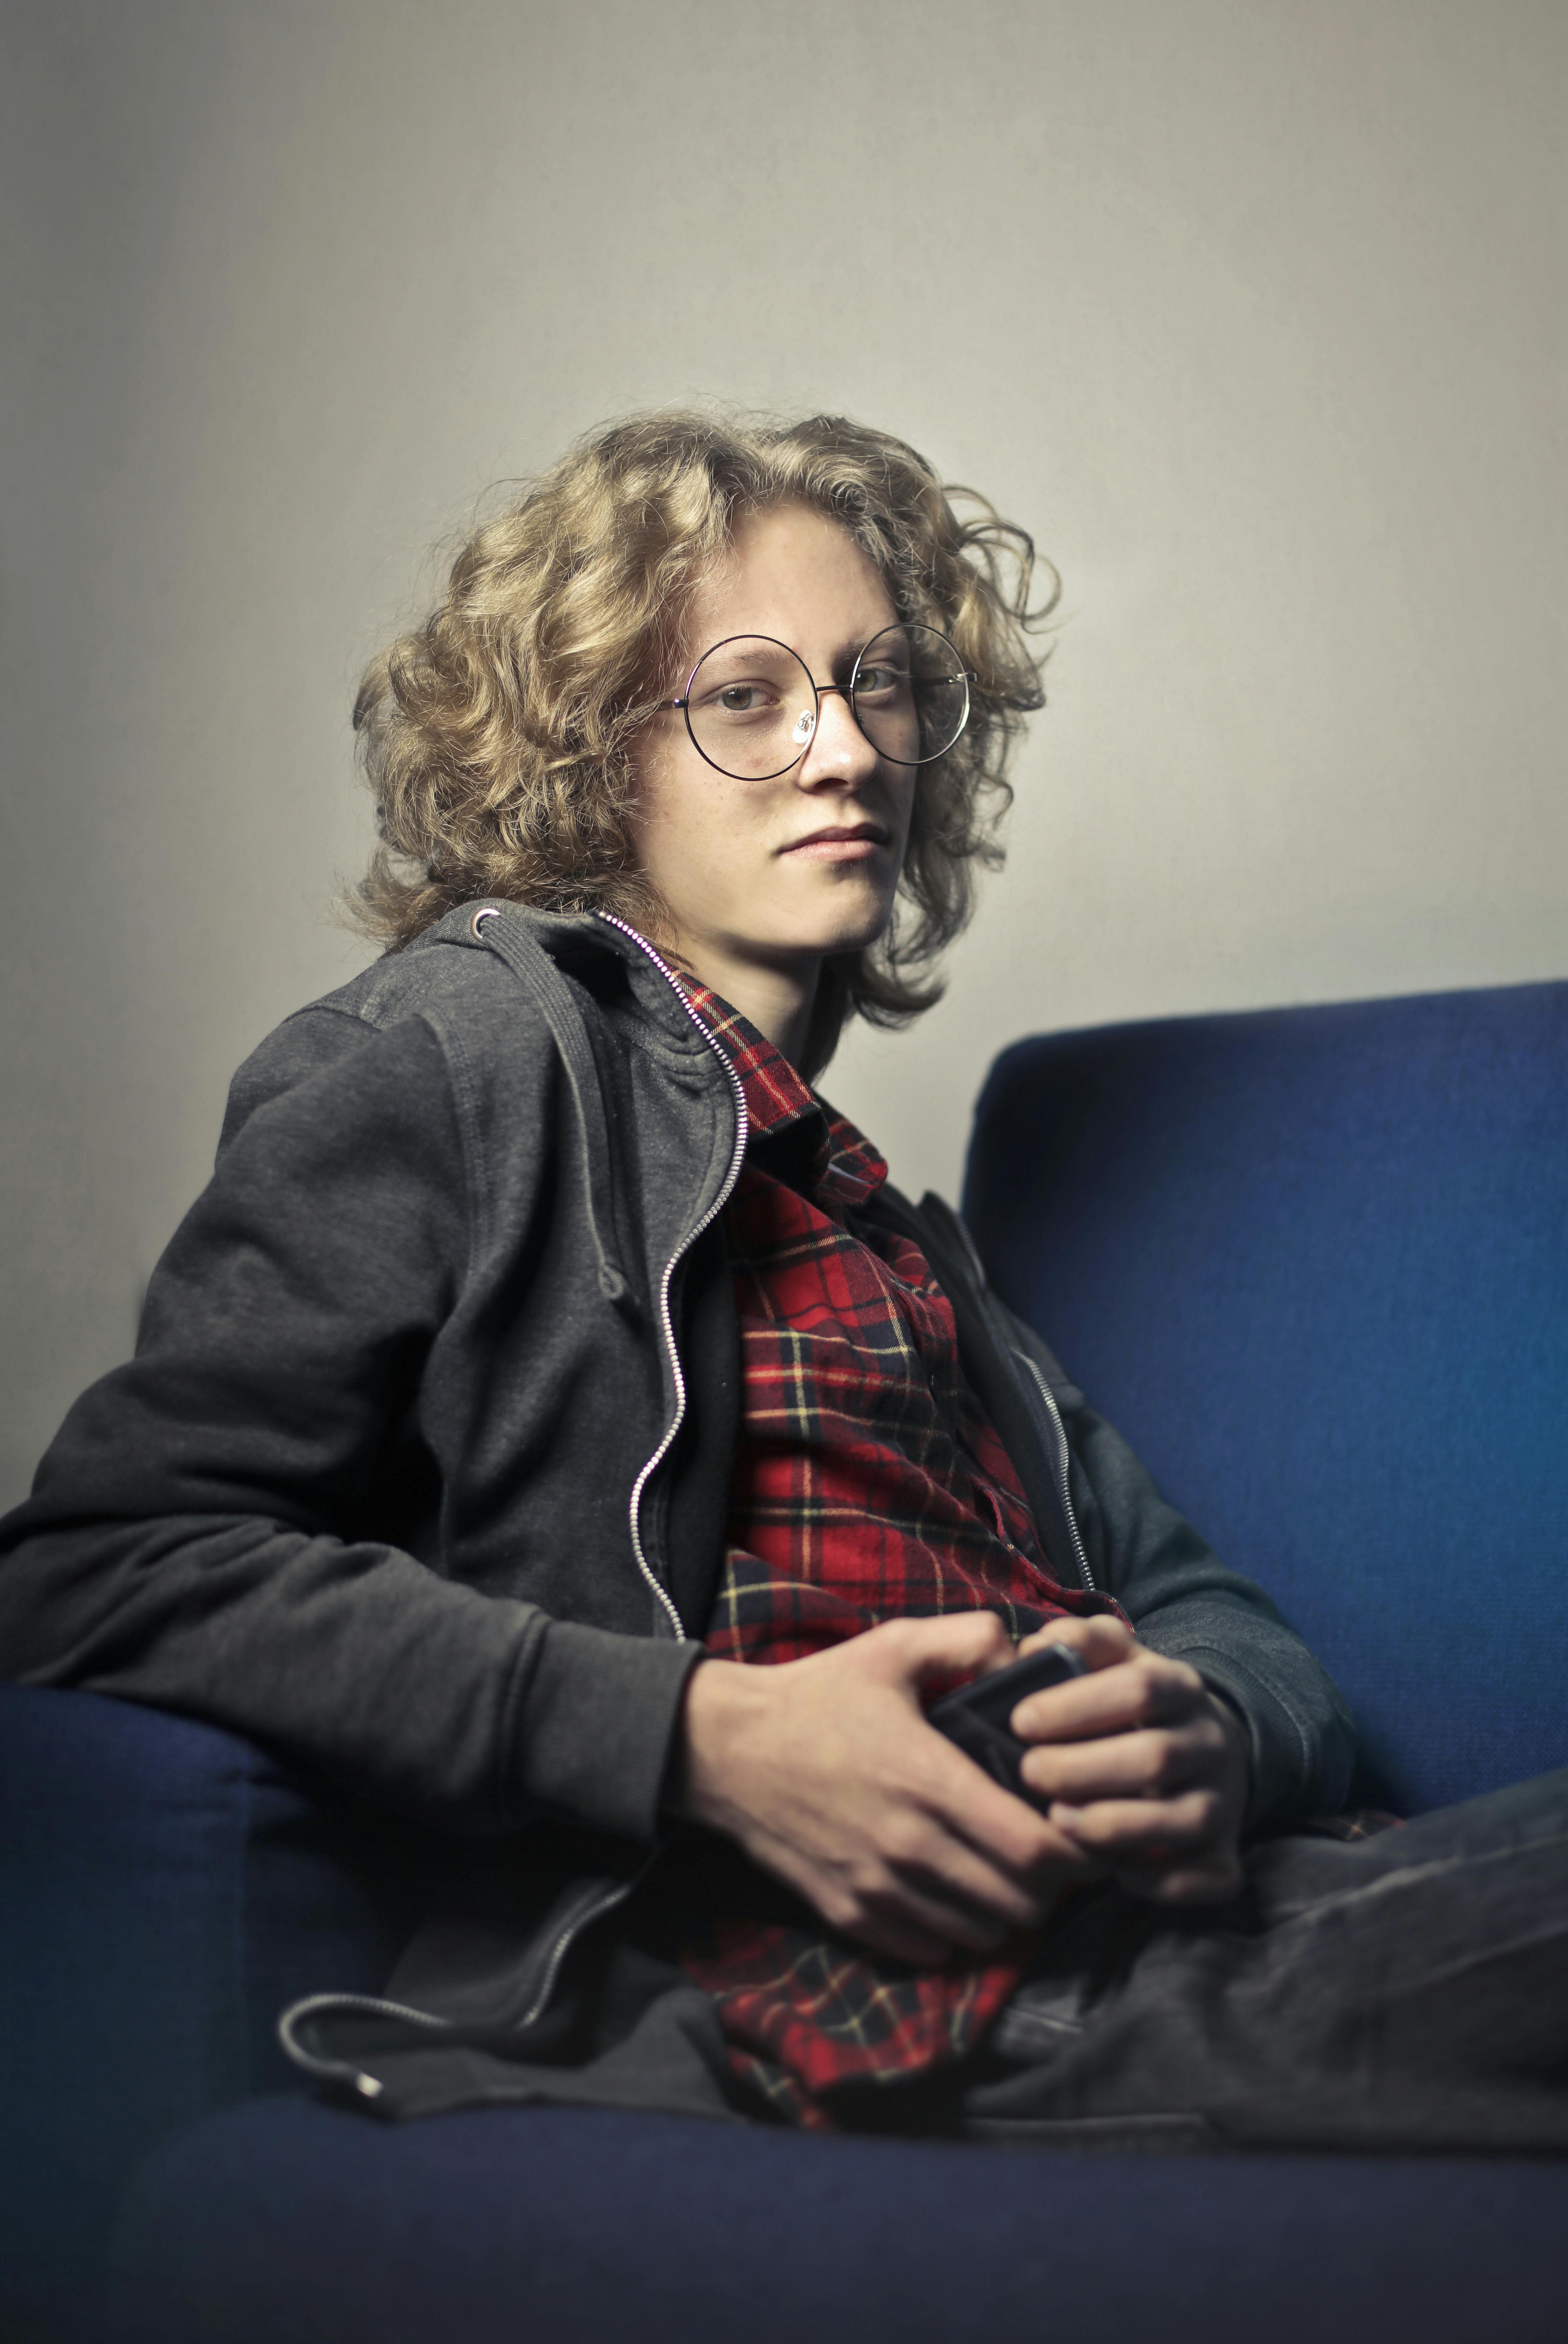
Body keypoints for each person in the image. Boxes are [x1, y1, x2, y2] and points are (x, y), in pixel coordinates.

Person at [2, 411, 1563, 2148]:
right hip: (862, 1994)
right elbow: (98, 1568)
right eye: (746, 695)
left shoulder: (893, 1238)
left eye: (876, 683)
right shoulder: (457, 1052)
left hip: (1196, 1918)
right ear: (598, 762)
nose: (845, 749)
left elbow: (1212, 1613)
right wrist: (697, 1738)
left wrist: (1211, 1730)